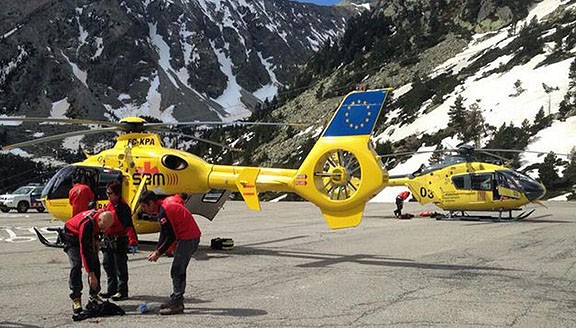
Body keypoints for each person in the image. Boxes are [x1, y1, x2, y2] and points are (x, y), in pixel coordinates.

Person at [138, 190, 201, 315]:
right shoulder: (163, 207)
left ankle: (177, 302)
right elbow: (164, 232)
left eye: (144, 207)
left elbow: (170, 235)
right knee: (177, 269)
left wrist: (158, 253)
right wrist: (158, 249)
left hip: (188, 238)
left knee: (177, 270)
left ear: (151, 203)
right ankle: (176, 299)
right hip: (187, 236)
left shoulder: (164, 210)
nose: (144, 210)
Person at [63, 210, 114, 315]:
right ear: (99, 220)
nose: (104, 230)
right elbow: (84, 250)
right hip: (72, 237)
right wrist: (90, 274)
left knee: (95, 263)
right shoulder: (87, 224)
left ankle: (93, 295)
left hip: (88, 236)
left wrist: (97, 241)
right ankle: (76, 298)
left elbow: (98, 233)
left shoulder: (103, 218)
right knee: (76, 265)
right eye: (102, 227)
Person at [100, 181, 138, 301]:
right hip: (108, 239)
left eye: (110, 193)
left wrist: (133, 241)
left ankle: (122, 291)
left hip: (119, 240)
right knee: (108, 264)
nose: (108, 196)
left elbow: (129, 225)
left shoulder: (123, 207)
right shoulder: (109, 205)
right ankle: (112, 289)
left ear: (117, 194)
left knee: (120, 266)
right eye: (107, 193)